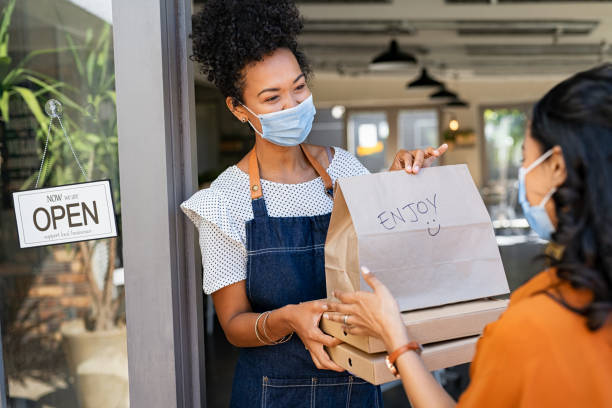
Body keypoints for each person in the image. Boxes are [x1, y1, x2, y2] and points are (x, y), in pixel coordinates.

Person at [181, 1, 447, 406]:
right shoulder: (223, 202)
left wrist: (397, 187)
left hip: (357, 386)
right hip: (271, 394)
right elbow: (233, 324)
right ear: (238, 108)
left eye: (299, 87)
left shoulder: (344, 170)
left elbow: (381, 257)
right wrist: (288, 319)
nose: (293, 105)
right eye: (272, 98)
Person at [326, 63, 612, 407]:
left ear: (556, 166)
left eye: (525, 157)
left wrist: (396, 340)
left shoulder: (532, 330)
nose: (522, 172)